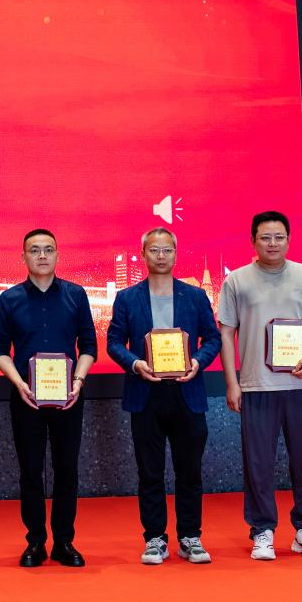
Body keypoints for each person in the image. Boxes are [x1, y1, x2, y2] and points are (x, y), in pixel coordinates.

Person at [219, 211, 302, 561]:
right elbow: (226, 332)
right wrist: (232, 382)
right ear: (253, 241)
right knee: (258, 464)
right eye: (265, 237)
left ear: (289, 240)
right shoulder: (237, 281)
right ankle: (262, 530)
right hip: (256, 387)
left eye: (279, 237)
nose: (272, 243)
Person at [106, 227, 221, 565]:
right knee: (150, 473)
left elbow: (212, 338)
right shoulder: (127, 298)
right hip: (145, 393)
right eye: (154, 250)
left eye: (167, 250)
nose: (160, 256)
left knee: (190, 471)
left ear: (175, 254)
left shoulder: (195, 296)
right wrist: (135, 363)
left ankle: (190, 537)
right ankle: (154, 538)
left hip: (188, 392)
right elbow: (114, 342)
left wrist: (197, 362)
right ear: (143, 254)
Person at [0, 228, 96, 568]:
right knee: (30, 471)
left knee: (67, 470)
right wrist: (19, 383)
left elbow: (89, 346)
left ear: (57, 255)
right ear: (23, 257)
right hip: (26, 398)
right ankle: (35, 541)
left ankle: (64, 541)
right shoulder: (9, 300)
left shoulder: (76, 295)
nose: (41, 255)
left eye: (48, 249)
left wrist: (78, 381)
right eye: (34, 250)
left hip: (69, 397)